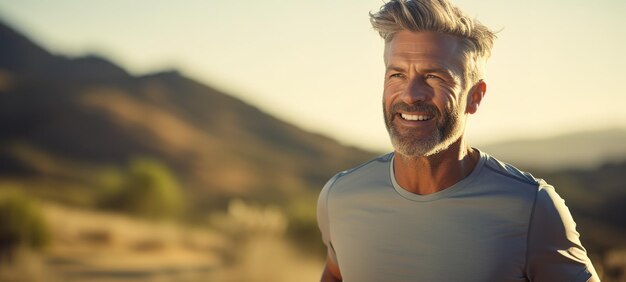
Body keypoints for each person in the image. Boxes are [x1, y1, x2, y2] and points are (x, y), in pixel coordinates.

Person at [316, 0, 599, 281]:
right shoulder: (339, 197)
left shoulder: (531, 208)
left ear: (474, 96)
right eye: (397, 74)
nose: (410, 94)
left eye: (433, 77)